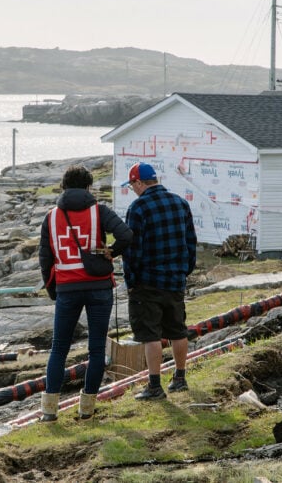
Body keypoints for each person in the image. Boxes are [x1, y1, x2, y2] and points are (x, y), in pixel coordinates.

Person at [38, 164, 133, 421]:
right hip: (99, 286)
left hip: (67, 288)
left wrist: (53, 291)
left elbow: (45, 259)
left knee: (59, 349)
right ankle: (87, 410)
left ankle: (49, 411)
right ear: (89, 186)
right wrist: (111, 251)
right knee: (96, 350)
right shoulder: (99, 211)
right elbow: (126, 235)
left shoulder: (51, 217)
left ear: (63, 186)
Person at [121, 162, 197, 400]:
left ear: (139, 182)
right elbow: (191, 242)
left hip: (147, 282)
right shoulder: (180, 203)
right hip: (175, 280)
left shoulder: (138, 208)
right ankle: (180, 378)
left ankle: (154, 386)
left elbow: (133, 250)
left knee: (150, 335)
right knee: (178, 330)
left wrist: (131, 281)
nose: (132, 189)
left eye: (132, 185)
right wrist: (185, 271)